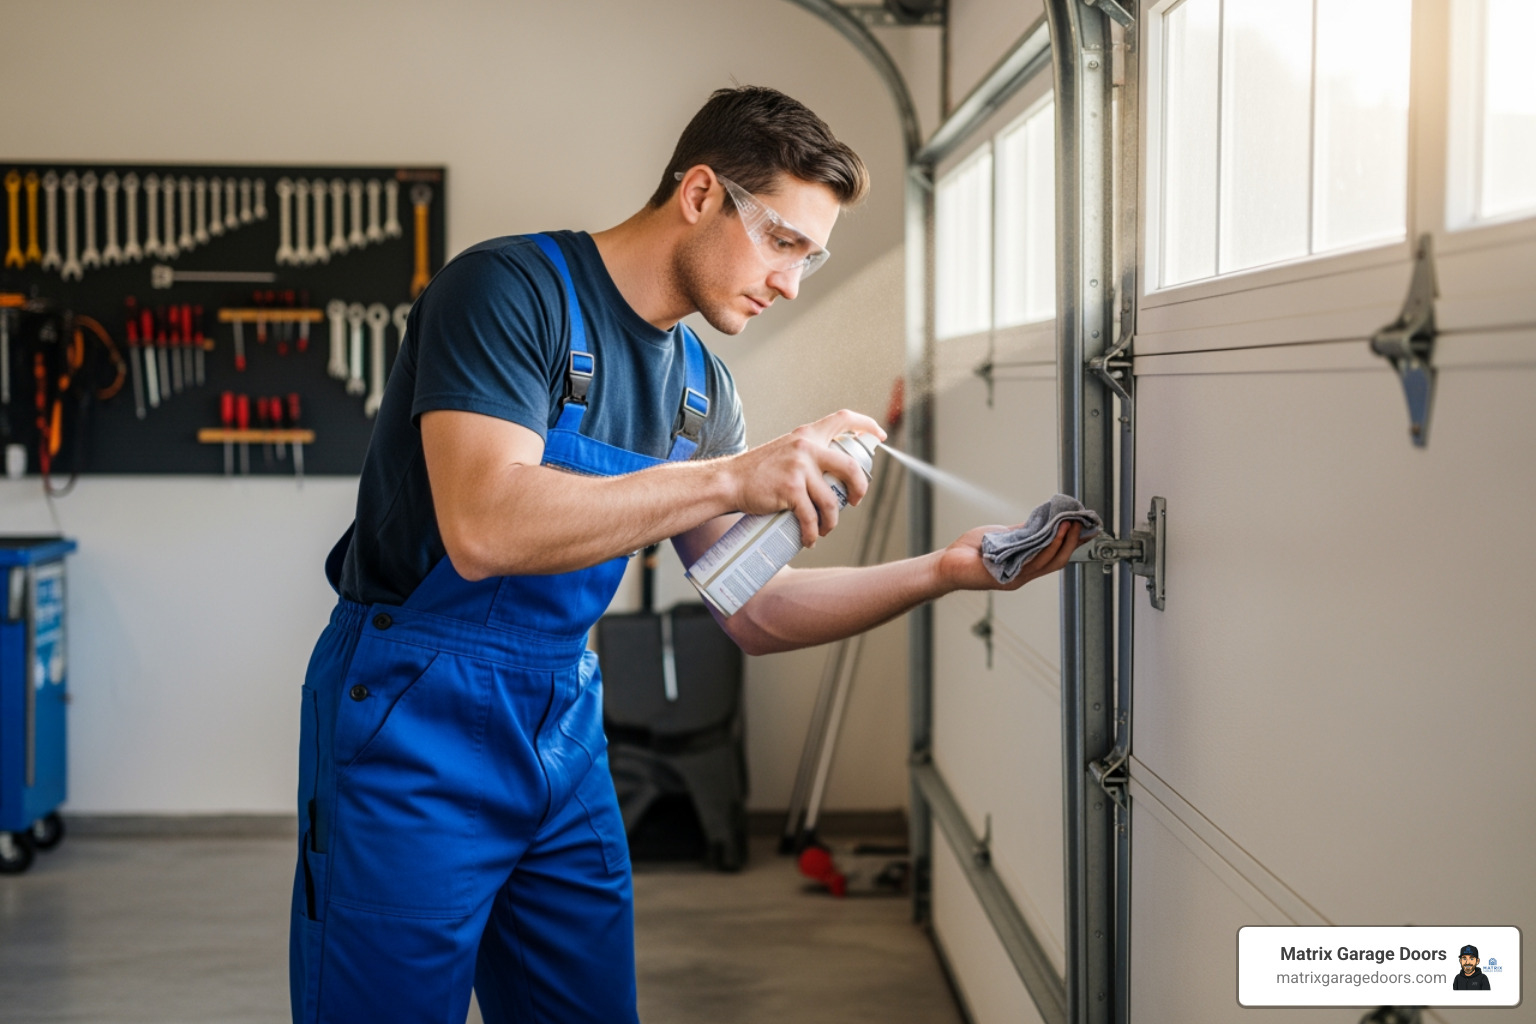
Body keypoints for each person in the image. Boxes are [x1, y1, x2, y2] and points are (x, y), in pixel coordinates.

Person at [288, 85, 1082, 1023]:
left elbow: (753, 611)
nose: (792, 283)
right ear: (701, 193)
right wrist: (733, 480)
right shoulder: (510, 292)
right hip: (414, 718)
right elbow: (486, 526)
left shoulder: (702, 392)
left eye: (812, 259)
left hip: (564, 724)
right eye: (783, 242)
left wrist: (947, 570)